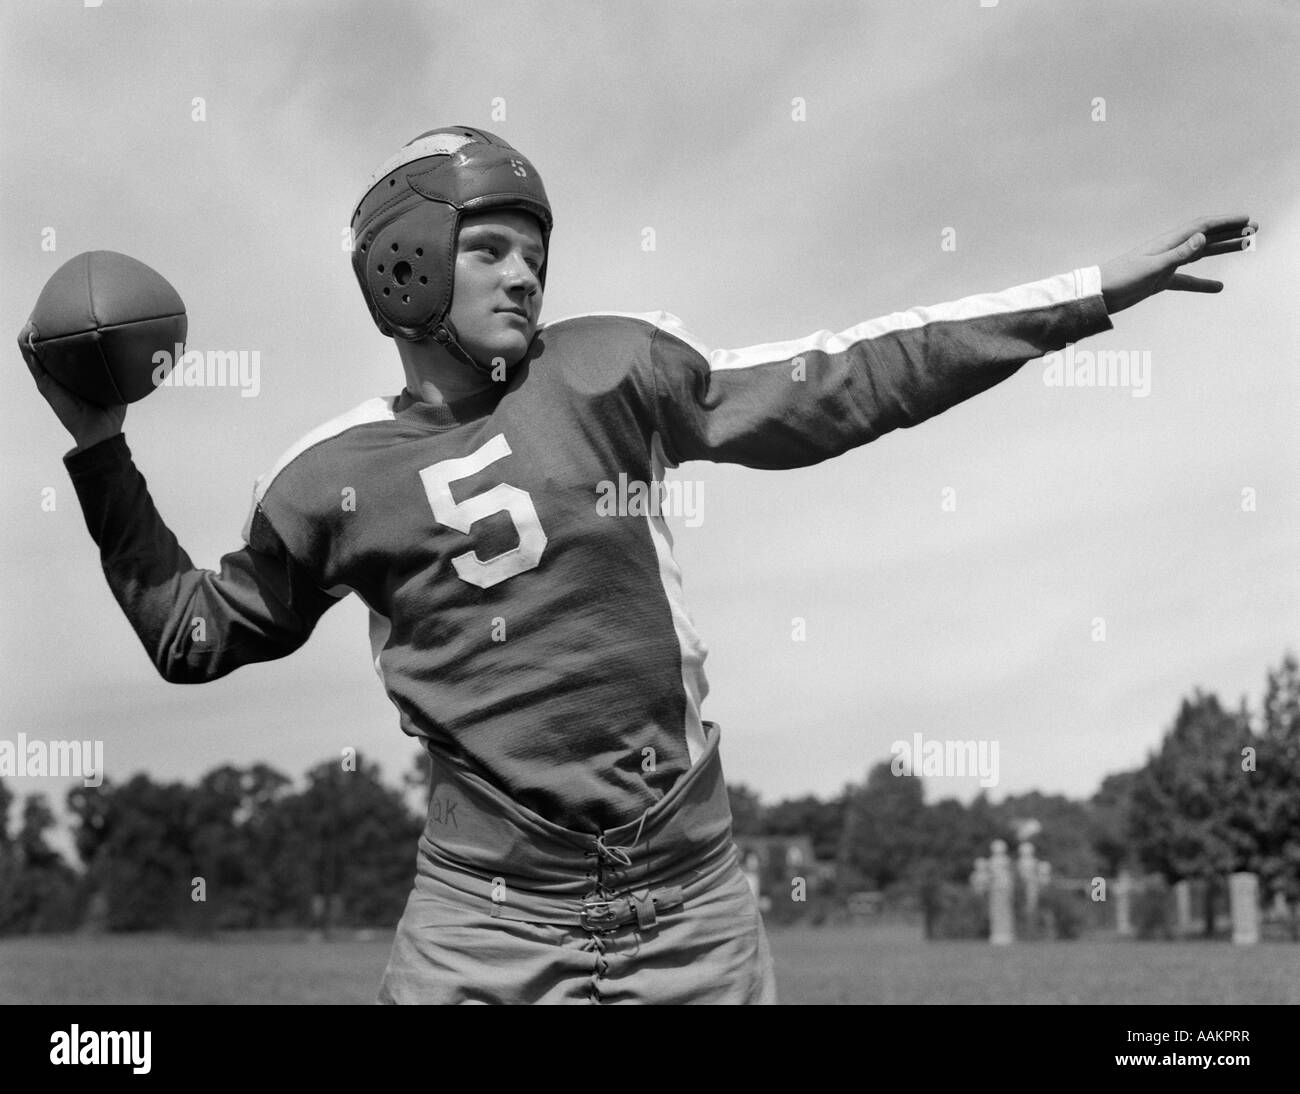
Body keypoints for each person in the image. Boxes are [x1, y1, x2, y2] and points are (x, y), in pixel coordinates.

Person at [20, 125, 1256, 1004]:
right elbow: (193, 636)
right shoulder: (327, 477)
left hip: (689, 900)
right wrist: (99, 443)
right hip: (487, 924)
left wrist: (1089, 296)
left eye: (533, 249)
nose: (526, 271)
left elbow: (848, 377)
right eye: (491, 246)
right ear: (405, 262)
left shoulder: (611, 369)